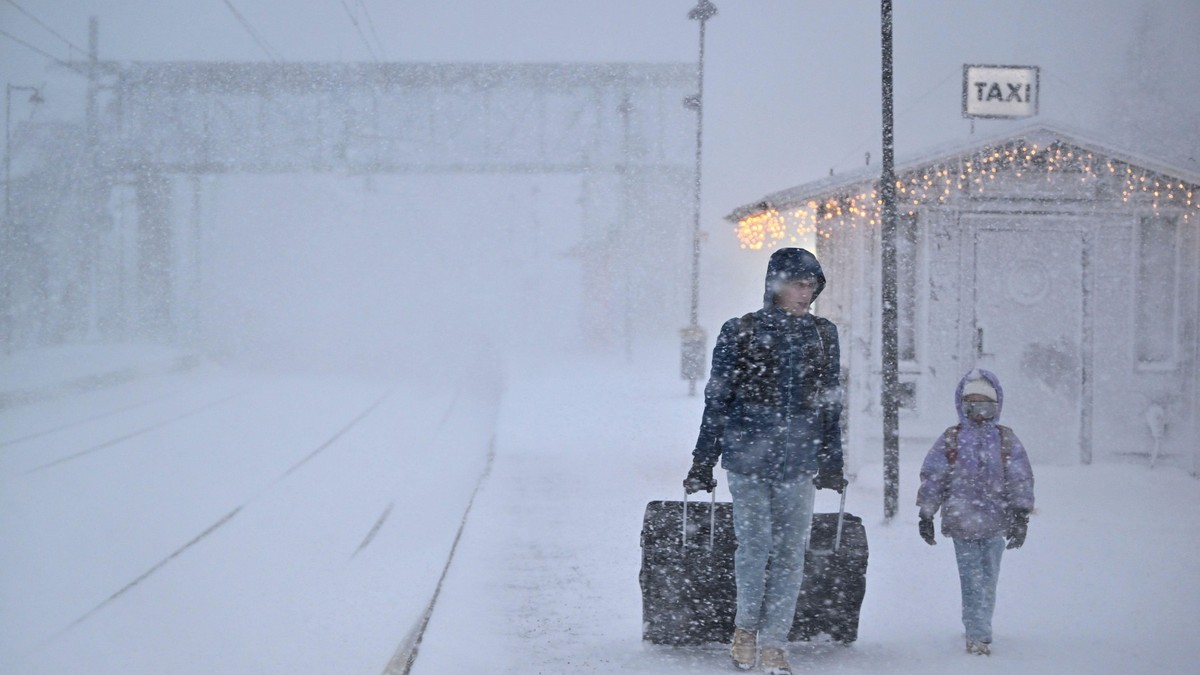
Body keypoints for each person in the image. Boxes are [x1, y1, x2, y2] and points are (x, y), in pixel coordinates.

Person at [683, 247, 846, 675]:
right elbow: (717, 400)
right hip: (748, 461)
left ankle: (776, 642)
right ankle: (745, 631)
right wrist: (703, 459)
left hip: (799, 462)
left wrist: (832, 459)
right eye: (798, 284)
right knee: (753, 549)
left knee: (792, 553)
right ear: (775, 285)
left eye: (811, 286)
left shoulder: (823, 335)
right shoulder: (741, 332)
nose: (805, 294)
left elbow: (831, 402)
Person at [916, 369, 1035, 656]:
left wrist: (1020, 515)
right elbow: (934, 477)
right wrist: (926, 513)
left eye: (986, 405)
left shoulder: (1006, 440)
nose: (979, 411)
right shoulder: (952, 439)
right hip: (962, 523)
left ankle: (979, 624)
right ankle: (978, 634)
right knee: (971, 579)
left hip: (996, 523)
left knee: (989, 578)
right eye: (972, 404)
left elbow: (1020, 478)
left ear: (996, 407)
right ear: (962, 405)